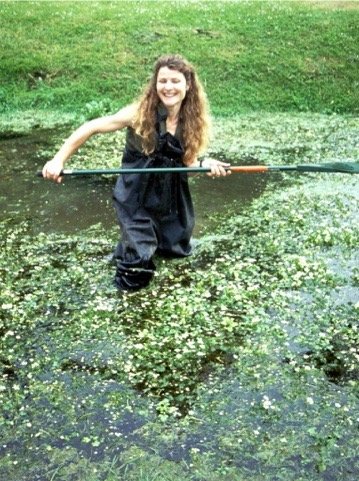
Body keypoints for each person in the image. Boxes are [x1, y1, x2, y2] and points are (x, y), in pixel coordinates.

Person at [42, 54, 230, 291]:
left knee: (175, 252)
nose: (168, 87)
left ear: (188, 84)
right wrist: (58, 159)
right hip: (135, 196)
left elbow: (187, 167)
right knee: (138, 266)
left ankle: (133, 247)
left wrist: (205, 166)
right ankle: (122, 299)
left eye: (175, 81)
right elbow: (92, 127)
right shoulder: (138, 113)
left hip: (171, 199)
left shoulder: (191, 122)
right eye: (163, 81)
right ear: (155, 84)